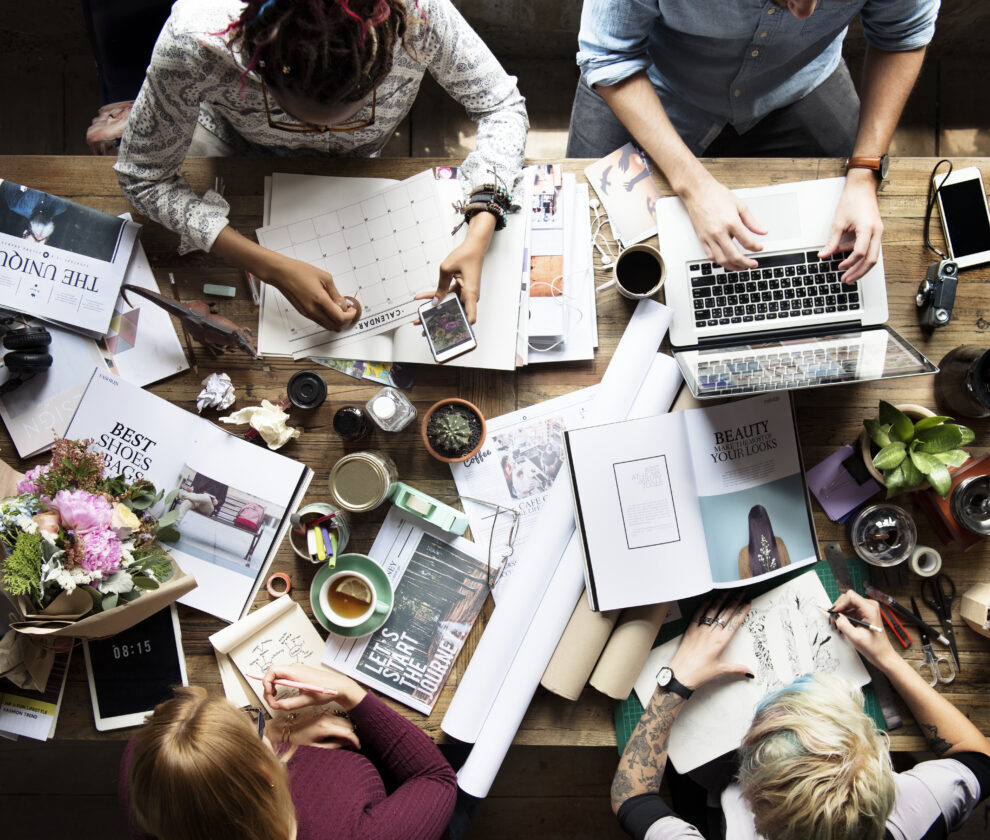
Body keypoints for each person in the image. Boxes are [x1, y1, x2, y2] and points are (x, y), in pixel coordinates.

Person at [114, 0, 528, 331]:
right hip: (232, 152)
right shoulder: (194, 40)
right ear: (258, 72)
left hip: (359, 168)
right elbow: (142, 176)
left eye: (353, 113)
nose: (314, 132)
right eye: (298, 117)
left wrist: (481, 226)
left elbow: (501, 106)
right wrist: (268, 265)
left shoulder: (420, 15)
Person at [568, 0, 939, 285]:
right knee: (580, 248)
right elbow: (609, 53)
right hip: (647, 82)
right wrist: (693, 187)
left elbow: (902, 36)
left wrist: (864, 171)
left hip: (798, 85)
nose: (804, 11)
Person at [612, 590, 990, 839]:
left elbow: (632, 797)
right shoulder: (917, 809)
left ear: (755, 806)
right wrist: (887, 658)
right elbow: (977, 755)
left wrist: (674, 683)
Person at [119, 663, 458, 840]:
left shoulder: (150, 770)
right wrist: (348, 692)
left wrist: (284, 731)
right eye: (255, 729)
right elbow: (437, 778)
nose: (258, 725)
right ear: (268, 772)